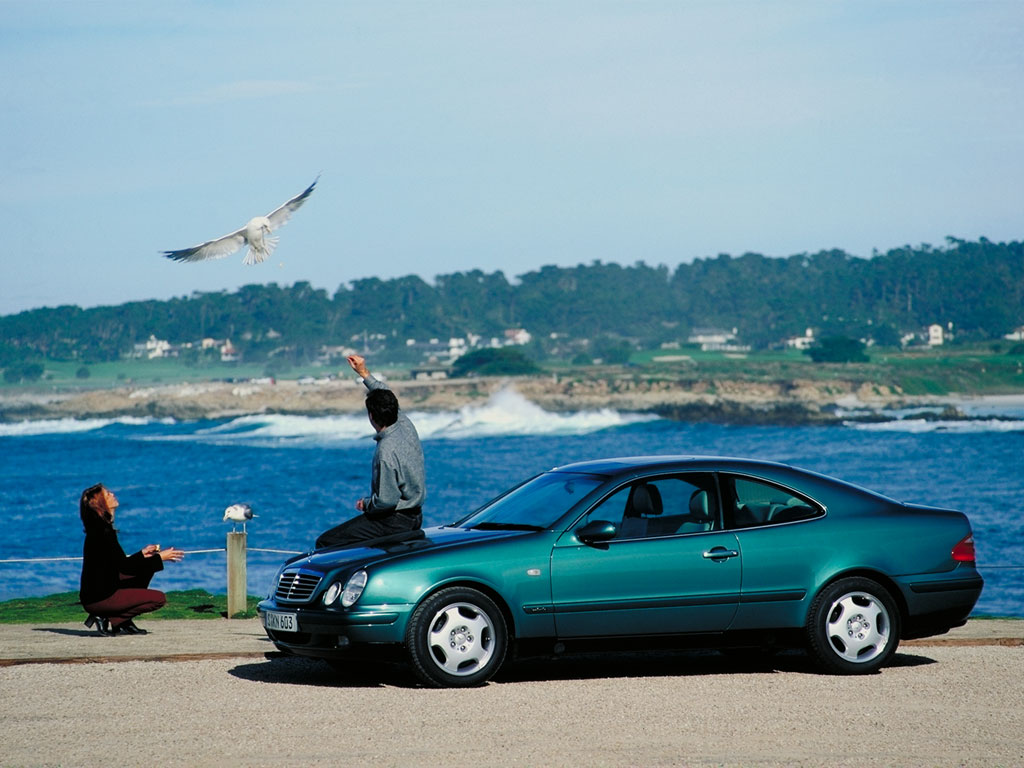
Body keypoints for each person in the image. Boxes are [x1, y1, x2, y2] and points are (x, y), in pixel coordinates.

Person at [315, 354, 426, 549]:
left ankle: (346, 579)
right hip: (415, 516)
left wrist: (366, 504)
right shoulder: (406, 425)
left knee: (326, 542)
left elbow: (386, 501)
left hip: (394, 522)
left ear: (371, 416)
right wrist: (363, 372)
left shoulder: (385, 452)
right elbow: (385, 393)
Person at [78, 483, 184, 636]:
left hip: (103, 590)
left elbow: (118, 564)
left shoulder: (101, 529)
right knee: (159, 599)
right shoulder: (101, 533)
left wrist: (142, 554)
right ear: (100, 504)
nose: (113, 494)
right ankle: (116, 619)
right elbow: (124, 568)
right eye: (108, 495)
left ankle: (121, 621)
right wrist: (161, 557)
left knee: (147, 570)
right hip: (99, 597)